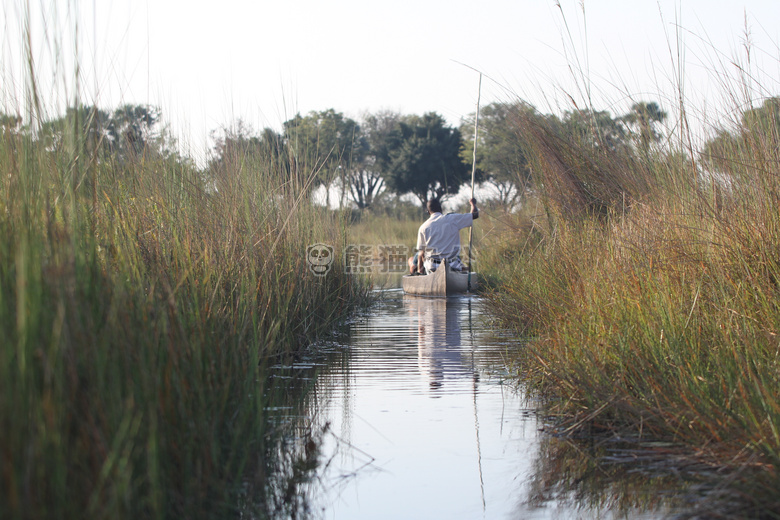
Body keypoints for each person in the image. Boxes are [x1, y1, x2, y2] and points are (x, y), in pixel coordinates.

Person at [408, 197, 478, 275]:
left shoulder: (423, 227)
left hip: (433, 267)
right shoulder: (453, 219)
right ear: (441, 209)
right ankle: (461, 271)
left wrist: (419, 272)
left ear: (428, 212)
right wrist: (473, 204)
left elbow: (421, 254)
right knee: (458, 259)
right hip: (453, 264)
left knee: (413, 259)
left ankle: (418, 273)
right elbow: (474, 215)